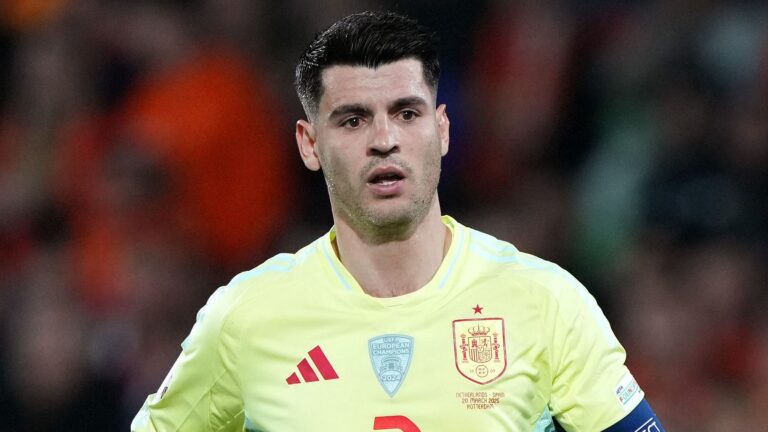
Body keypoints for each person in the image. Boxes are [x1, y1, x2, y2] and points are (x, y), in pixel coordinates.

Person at [131, 11, 665, 431]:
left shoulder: (546, 302)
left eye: (407, 114)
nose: (384, 139)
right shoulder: (246, 317)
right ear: (310, 144)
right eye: (353, 120)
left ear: (442, 130)